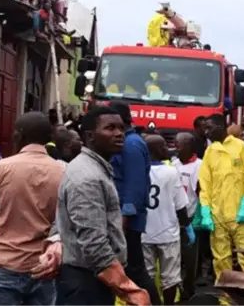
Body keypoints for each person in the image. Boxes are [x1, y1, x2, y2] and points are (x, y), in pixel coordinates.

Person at [41, 106, 150, 305]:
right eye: (110, 128)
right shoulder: (87, 176)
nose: (119, 134)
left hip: (92, 279)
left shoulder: (95, 169)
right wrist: (128, 290)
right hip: (85, 282)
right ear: (90, 136)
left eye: (121, 128)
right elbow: (93, 243)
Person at [0, 112, 64, 305]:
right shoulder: (63, 171)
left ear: (20, 135)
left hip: (4, 263)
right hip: (44, 266)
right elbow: (64, 221)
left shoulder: (0, 168)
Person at [109, 101, 161, 306]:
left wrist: (124, 218)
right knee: (130, 269)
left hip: (128, 220)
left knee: (135, 271)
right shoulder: (127, 142)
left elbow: (135, 184)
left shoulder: (131, 145)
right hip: (123, 218)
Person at [198, 114, 244, 281]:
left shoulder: (240, 147)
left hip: (241, 214)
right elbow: (205, 185)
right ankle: (226, 297)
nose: (206, 132)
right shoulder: (210, 152)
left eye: (209, 128)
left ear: (221, 126)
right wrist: (205, 211)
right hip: (217, 216)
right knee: (221, 259)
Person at [142, 135, 193, 306]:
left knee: (147, 274)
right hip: (168, 233)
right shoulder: (171, 172)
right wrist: (187, 227)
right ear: (156, 150)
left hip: (144, 233)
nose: (167, 149)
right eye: (164, 146)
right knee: (170, 277)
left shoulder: (139, 170)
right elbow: (180, 206)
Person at [172, 132, 202, 297]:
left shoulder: (200, 166)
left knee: (190, 254)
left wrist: (198, 215)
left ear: (189, 146)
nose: (175, 148)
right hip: (173, 217)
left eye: (178, 145)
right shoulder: (173, 164)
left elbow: (201, 192)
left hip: (190, 216)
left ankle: (189, 286)